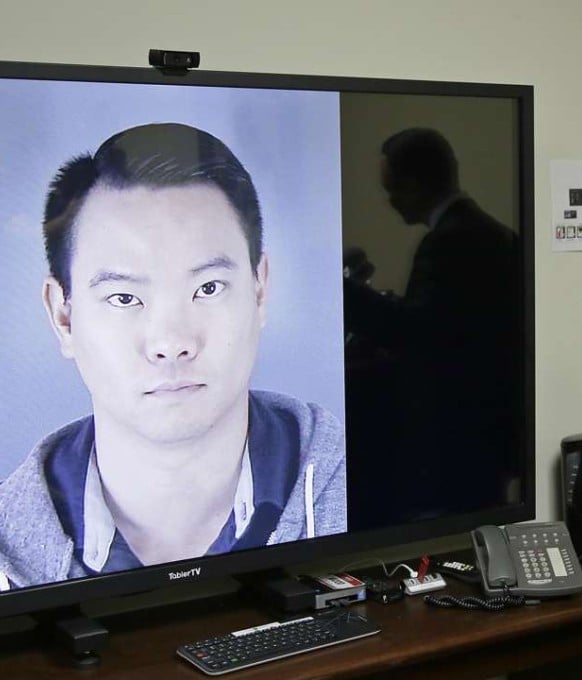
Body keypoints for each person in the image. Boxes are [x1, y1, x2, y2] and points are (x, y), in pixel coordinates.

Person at [0, 123, 347, 591]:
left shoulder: (371, 489)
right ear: (63, 317)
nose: (171, 342)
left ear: (260, 290)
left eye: (207, 288)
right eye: (123, 298)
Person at [342, 127, 521, 523]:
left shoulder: (448, 241)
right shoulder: (497, 234)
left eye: (393, 189)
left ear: (416, 183)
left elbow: (417, 333)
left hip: (454, 433)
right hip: (494, 429)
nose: (389, 202)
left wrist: (345, 293)